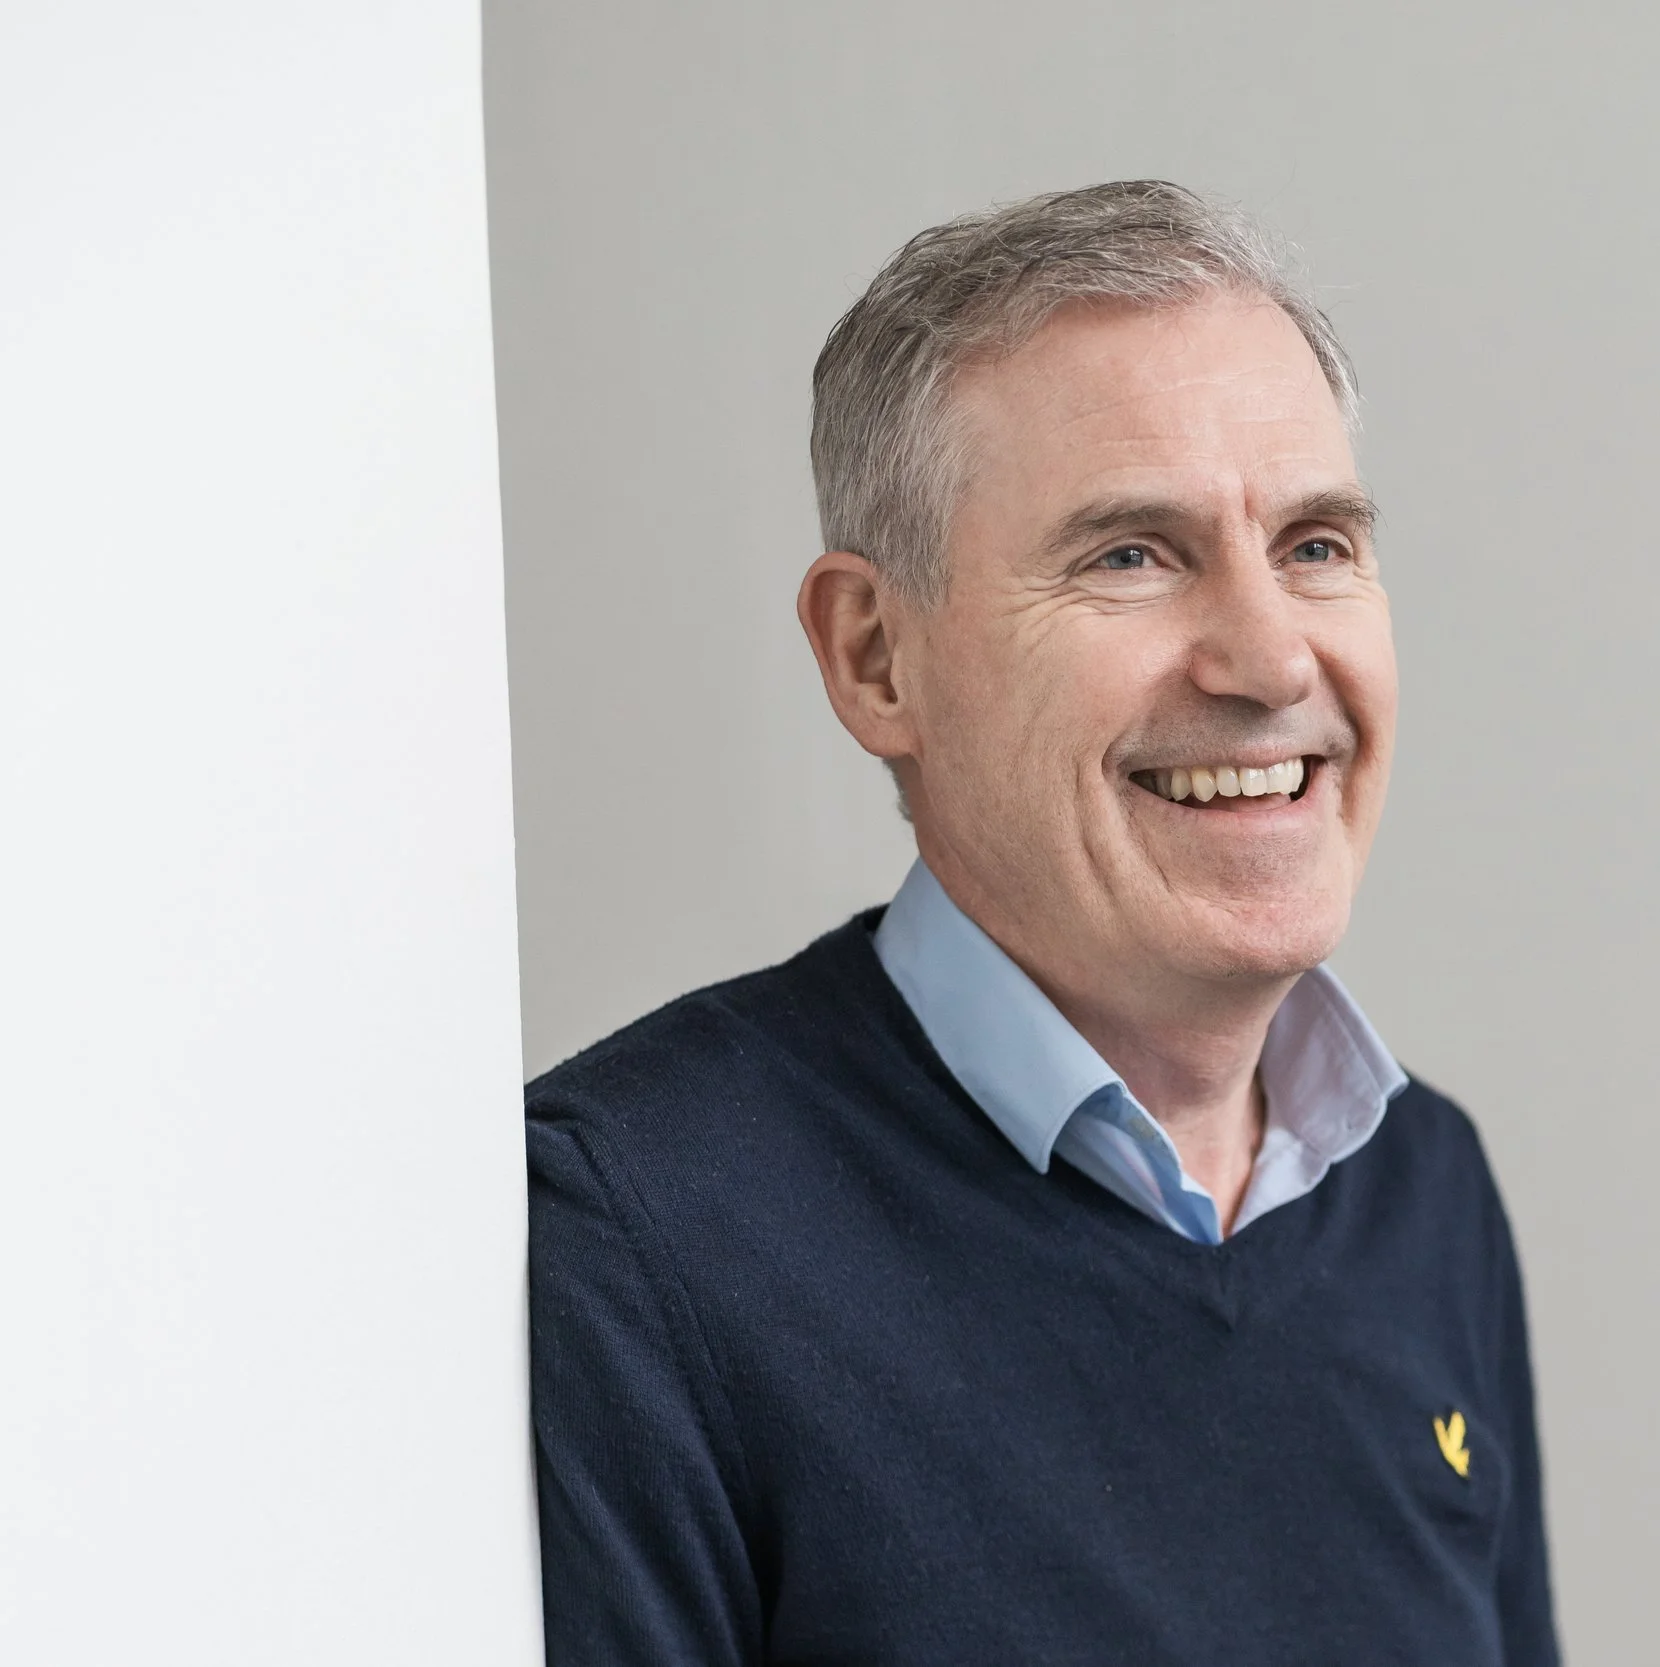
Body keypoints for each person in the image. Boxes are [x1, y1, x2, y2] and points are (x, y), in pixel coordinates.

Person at [526, 180, 1557, 1665]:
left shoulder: (1423, 1188)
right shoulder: (634, 1239)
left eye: (1317, 545)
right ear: (876, 658)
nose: (1272, 658)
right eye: (1132, 554)